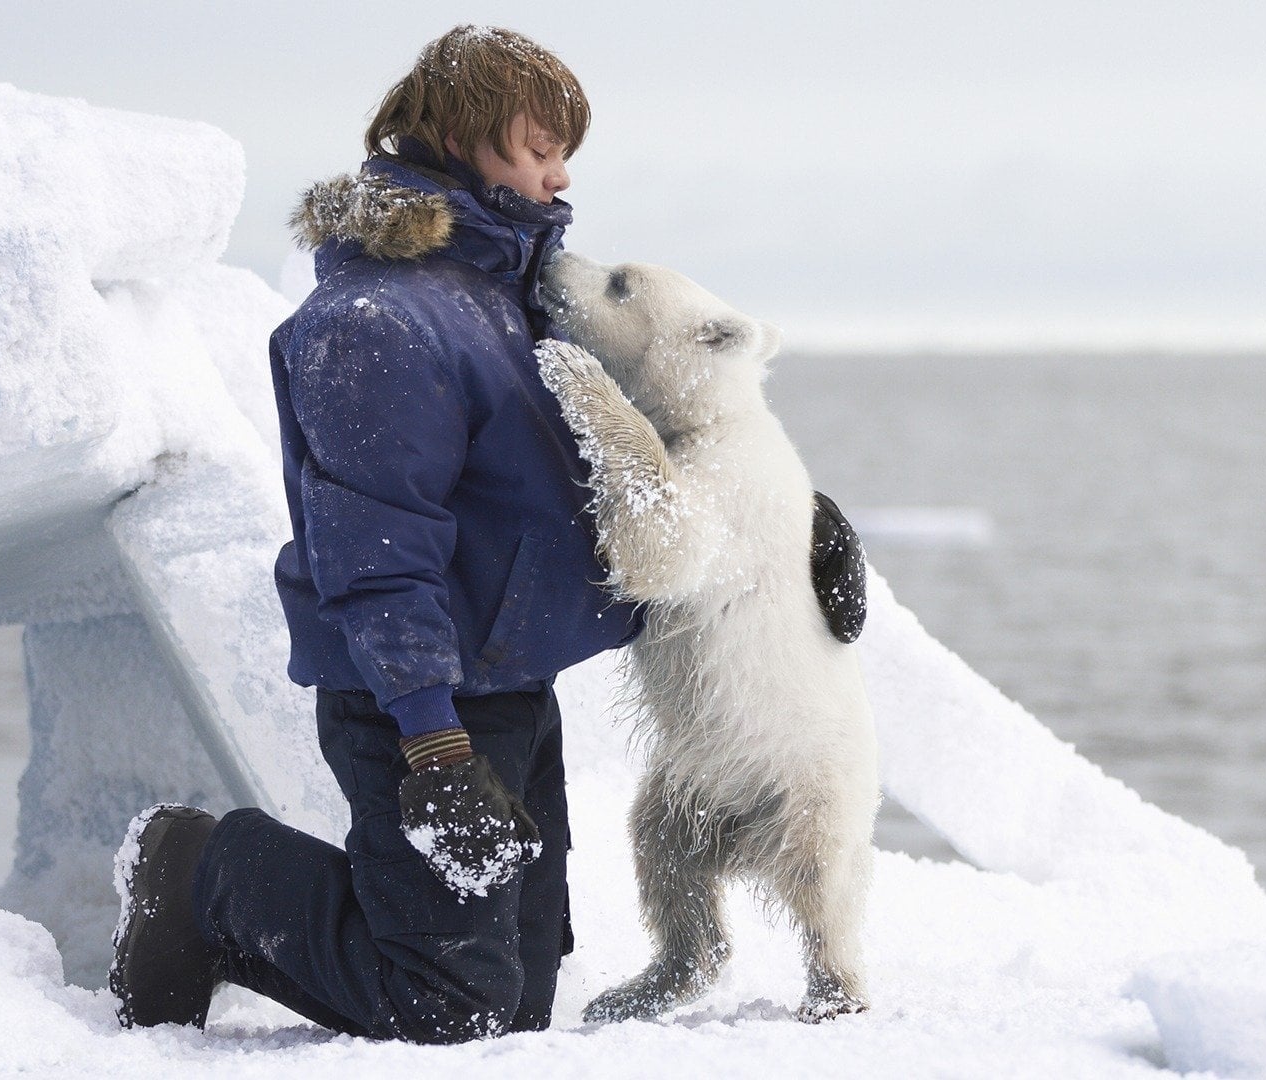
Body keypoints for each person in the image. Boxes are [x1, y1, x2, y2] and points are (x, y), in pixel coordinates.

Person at [108, 25, 865, 1044]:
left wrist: (796, 522)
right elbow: (375, 553)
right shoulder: (378, 322)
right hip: (417, 700)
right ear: (456, 141)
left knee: (514, 1003)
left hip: (508, 681)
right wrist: (432, 745)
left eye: (563, 154)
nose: (557, 177)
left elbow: (645, 436)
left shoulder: (504, 292)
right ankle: (201, 870)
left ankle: (321, 926)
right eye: (534, 148)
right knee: (446, 1004)